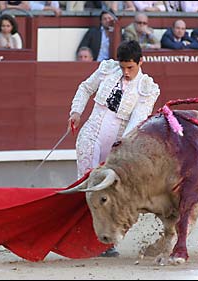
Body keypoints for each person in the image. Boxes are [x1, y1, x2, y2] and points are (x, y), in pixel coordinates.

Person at [68, 40, 160, 256]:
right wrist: (76, 111)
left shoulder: (147, 88)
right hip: (91, 133)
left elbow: (138, 118)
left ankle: (107, 240)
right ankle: (86, 237)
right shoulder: (107, 69)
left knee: (108, 190)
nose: (126, 72)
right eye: (123, 67)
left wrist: (123, 145)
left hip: (118, 143)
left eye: (131, 67)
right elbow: (85, 87)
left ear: (141, 62)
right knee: (87, 184)